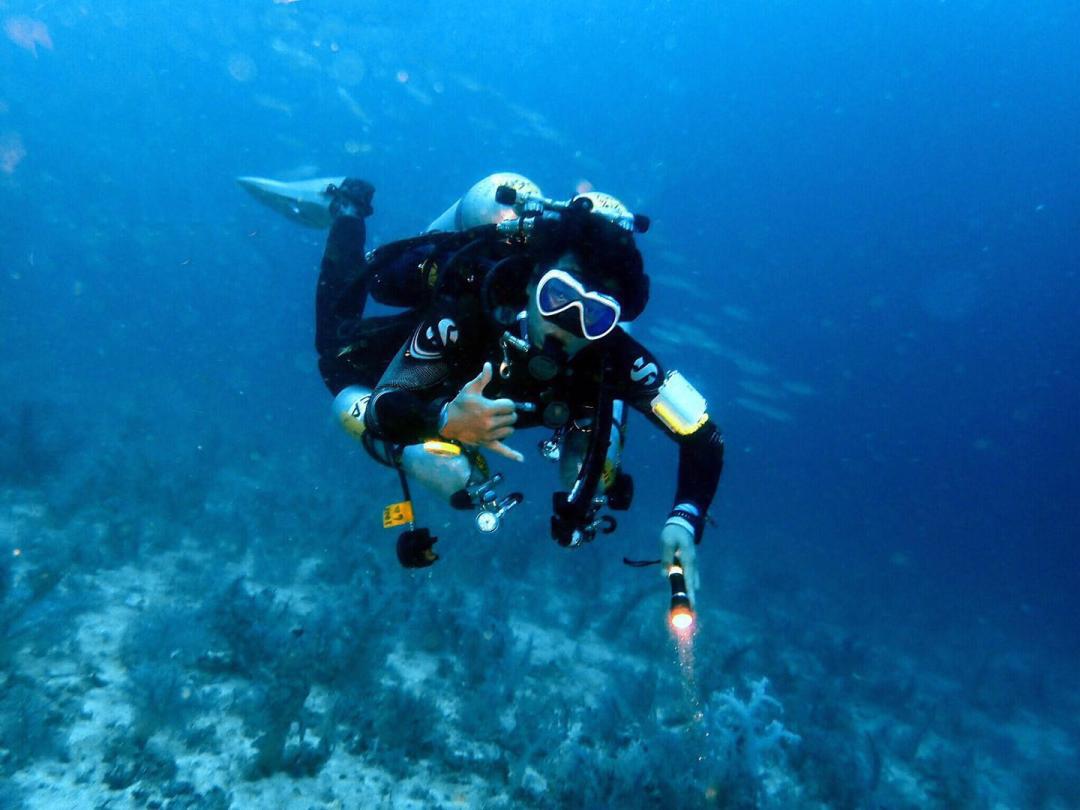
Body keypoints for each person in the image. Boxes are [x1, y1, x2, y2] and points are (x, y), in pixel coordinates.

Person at [311, 173, 723, 607]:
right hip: (435, 363)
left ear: (611, 323)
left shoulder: (614, 356)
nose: (567, 325)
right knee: (334, 357)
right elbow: (385, 404)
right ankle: (348, 209)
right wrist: (443, 420)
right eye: (557, 296)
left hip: (505, 400)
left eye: (595, 316)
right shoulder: (471, 310)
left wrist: (684, 520)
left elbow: (704, 437)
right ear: (530, 282)